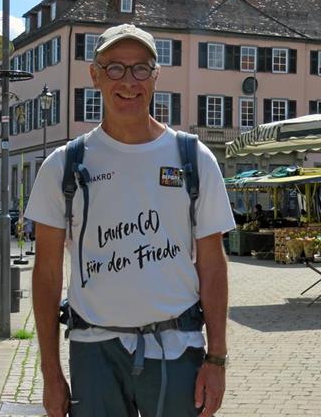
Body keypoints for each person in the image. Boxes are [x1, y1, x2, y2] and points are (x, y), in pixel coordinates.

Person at [26, 24, 235, 417]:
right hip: (94, 352)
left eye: (140, 69)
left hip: (177, 349)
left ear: (155, 76)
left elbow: (212, 263)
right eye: (115, 68)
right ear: (95, 74)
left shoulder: (193, 158)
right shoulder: (65, 165)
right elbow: (48, 272)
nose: (128, 82)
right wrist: (50, 373)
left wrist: (218, 359)